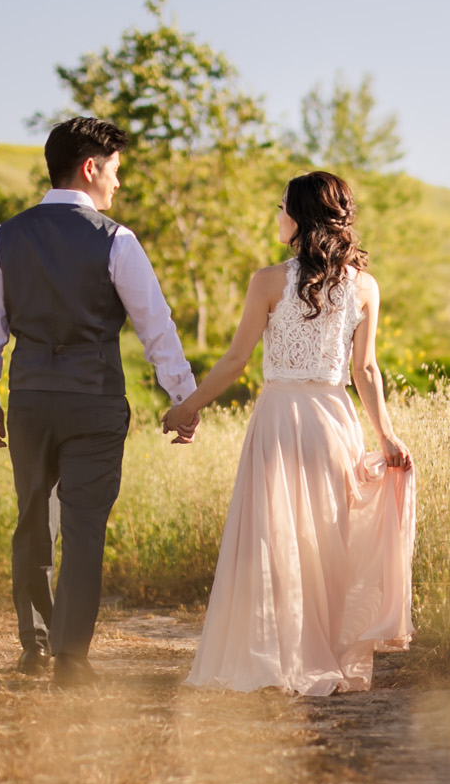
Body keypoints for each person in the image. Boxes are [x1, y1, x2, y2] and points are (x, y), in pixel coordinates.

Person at [161, 170, 415, 695]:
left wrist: (188, 406)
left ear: (300, 217)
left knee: (271, 538)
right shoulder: (364, 287)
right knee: (325, 539)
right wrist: (385, 434)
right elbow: (365, 371)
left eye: (282, 208)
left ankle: (278, 657)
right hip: (332, 418)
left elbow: (235, 360)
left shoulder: (267, 281)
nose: (277, 217)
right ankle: (319, 654)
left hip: (279, 418)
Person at [0, 118, 199, 687]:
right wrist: (184, 396)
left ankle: (33, 647)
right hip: (93, 402)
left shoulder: (7, 235)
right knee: (84, 526)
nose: (117, 184)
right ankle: (70, 657)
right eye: (115, 171)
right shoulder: (116, 240)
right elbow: (156, 327)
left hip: (30, 400)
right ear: (90, 168)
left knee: (32, 522)